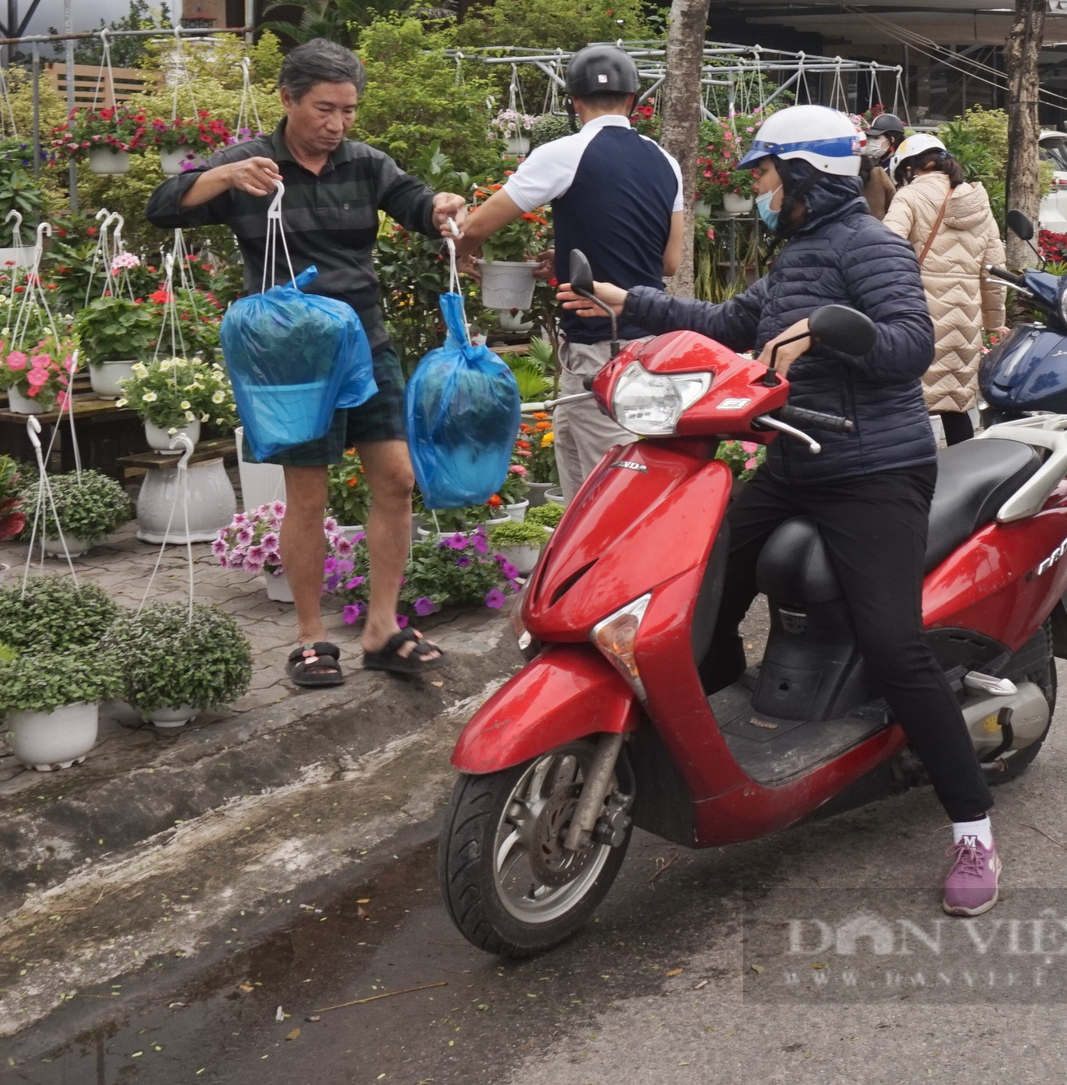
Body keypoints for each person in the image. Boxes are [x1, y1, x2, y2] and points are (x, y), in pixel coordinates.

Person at [559, 105, 1006, 918]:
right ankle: (740, 733)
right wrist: (628, 303)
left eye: (764, 173)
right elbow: (730, 324)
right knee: (697, 591)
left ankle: (971, 826)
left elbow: (913, 344)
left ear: (804, 174)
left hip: (875, 470)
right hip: (795, 457)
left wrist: (827, 334)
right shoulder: (799, 251)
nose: (758, 189)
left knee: (895, 645)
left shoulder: (871, 244)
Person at [146, 39, 466, 690]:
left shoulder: (364, 164)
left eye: (349, 110)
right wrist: (223, 177)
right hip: (292, 361)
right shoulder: (249, 165)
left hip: (365, 343)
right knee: (308, 495)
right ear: (288, 100)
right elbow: (161, 206)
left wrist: (442, 206)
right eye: (325, 108)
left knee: (398, 479)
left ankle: (382, 627)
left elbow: (416, 202)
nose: (339, 123)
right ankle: (311, 637)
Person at [453, 44, 683, 499]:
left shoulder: (565, 152)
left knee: (610, 497)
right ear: (634, 100)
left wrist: (461, 255)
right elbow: (669, 261)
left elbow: (478, 224)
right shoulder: (665, 161)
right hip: (652, 345)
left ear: (574, 102)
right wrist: (570, 256)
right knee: (597, 491)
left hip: (601, 349)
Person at [881, 133, 1006, 445]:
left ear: (909, 169)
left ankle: (917, 480)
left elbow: (883, 252)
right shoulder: (977, 201)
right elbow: (994, 269)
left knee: (911, 403)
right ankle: (966, 483)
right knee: (954, 404)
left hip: (918, 316)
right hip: (964, 320)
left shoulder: (908, 198)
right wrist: (994, 322)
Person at [859, 111, 906, 219]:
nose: (871, 142)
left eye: (876, 138)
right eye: (869, 137)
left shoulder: (901, 167)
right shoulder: (876, 164)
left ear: (892, 140)